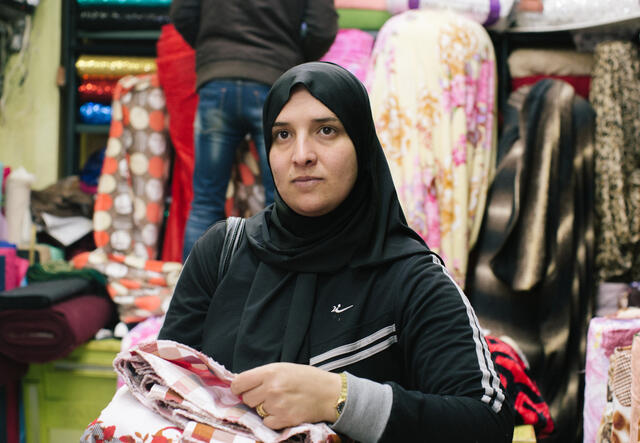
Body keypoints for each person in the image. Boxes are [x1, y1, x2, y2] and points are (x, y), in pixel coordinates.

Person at [158, 62, 515, 442]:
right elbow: (159, 387)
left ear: (361, 143)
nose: (301, 154)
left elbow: (486, 422)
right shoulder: (223, 252)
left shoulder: (410, 278)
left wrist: (340, 398)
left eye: (326, 130)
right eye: (282, 135)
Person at [169, 0, 339, 261]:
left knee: (205, 201)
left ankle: (193, 298)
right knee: (284, 202)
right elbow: (322, 27)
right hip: (274, 80)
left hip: (218, 78)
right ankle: (280, 292)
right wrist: (290, 62)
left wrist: (215, 52)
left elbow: (183, 14)